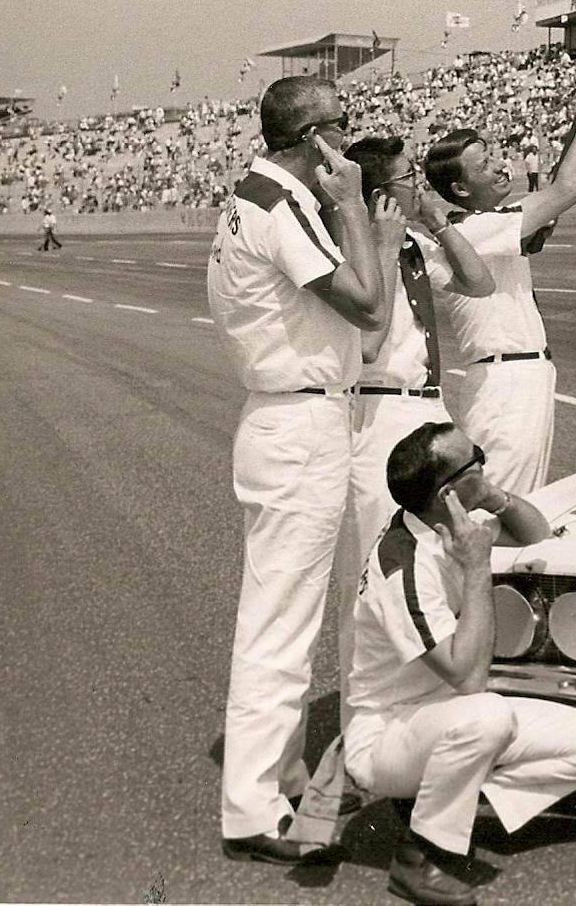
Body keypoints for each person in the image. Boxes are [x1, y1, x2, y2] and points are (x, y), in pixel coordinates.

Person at [207, 75, 395, 863]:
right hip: (299, 418)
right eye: (340, 128)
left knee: (281, 614)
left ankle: (272, 777)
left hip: (288, 415)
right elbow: (367, 303)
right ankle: (252, 808)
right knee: (280, 621)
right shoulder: (281, 203)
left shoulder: (255, 196)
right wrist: (353, 206)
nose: (348, 143)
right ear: (314, 138)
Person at [345, 423, 576, 905]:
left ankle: (441, 804)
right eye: (477, 459)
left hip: (448, 718)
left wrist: (492, 495)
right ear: (449, 491)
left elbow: (536, 534)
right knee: (488, 714)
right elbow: (469, 677)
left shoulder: (444, 523)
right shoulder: (403, 564)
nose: (485, 460)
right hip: (387, 733)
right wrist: (478, 566)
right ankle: (421, 856)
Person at [338, 136, 496, 710]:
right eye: (409, 179)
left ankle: (438, 695)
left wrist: (435, 220)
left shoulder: (409, 243)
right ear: (382, 194)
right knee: (381, 571)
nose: (419, 185)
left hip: (428, 404)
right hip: (378, 408)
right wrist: (379, 242)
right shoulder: (352, 246)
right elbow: (368, 342)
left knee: (446, 552)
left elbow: (480, 283)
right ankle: (368, 722)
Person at [423, 55, 576, 495]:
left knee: (514, 502)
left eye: (494, 156)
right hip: (506, 384)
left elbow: (554, 197)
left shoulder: (489, 221)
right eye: (484, 164)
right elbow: (571, 188)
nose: (500, 167)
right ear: (460, 189)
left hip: (516, 378)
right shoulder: (473, 228)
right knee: (501, 507)